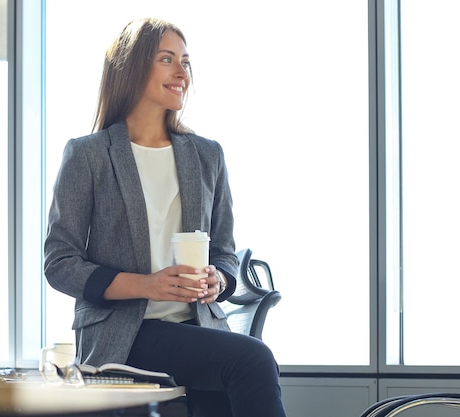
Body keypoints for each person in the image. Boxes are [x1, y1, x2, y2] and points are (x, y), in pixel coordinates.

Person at [44, 17, 287, 417]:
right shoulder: (89, 155)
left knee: (226, 390)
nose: (182, 73)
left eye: (186, 62)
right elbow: (60, 263)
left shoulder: (207, 156)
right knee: (253, 359)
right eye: (167, 59)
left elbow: (224, 252)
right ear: (133, 67)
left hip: (198, 328)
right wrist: (147, 285)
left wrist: (218, 280)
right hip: (123, 333)